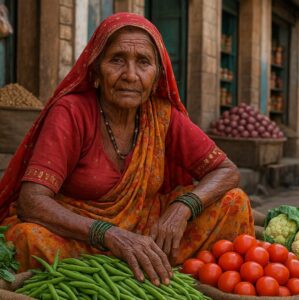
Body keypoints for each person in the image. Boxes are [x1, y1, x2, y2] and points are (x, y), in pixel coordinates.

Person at [0, 12, 254, 286]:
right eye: (117, 60)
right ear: (96, 71)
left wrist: (182, 208)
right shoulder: (71, 112)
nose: (130, 75)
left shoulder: (162, 116)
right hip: (81, 239)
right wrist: (108, 234)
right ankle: (145, 274)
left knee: (234, 202)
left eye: (143, 62)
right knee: (28, 238)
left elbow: (226, 170)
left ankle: (155, 270)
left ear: (157, 75)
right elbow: (32, 201)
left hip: (150, 236)